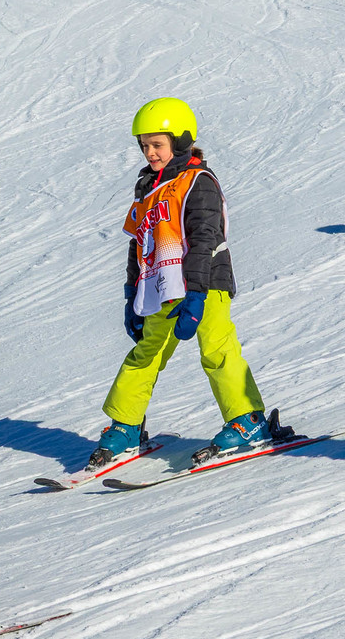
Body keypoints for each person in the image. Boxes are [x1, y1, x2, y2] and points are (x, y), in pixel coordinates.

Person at [83, 98, 290, 471]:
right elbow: (138, 243)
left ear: (179, 142)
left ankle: (247, 421)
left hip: (206, 281)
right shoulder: (147, 187)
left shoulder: (199, 182)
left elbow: (204, 238)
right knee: (146, 352)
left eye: (157, 145)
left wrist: (195, 293)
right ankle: (126, 425)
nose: (150, 153)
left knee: (216, 347)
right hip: (162, 284)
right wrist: (131, 293)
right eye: (144, 145)